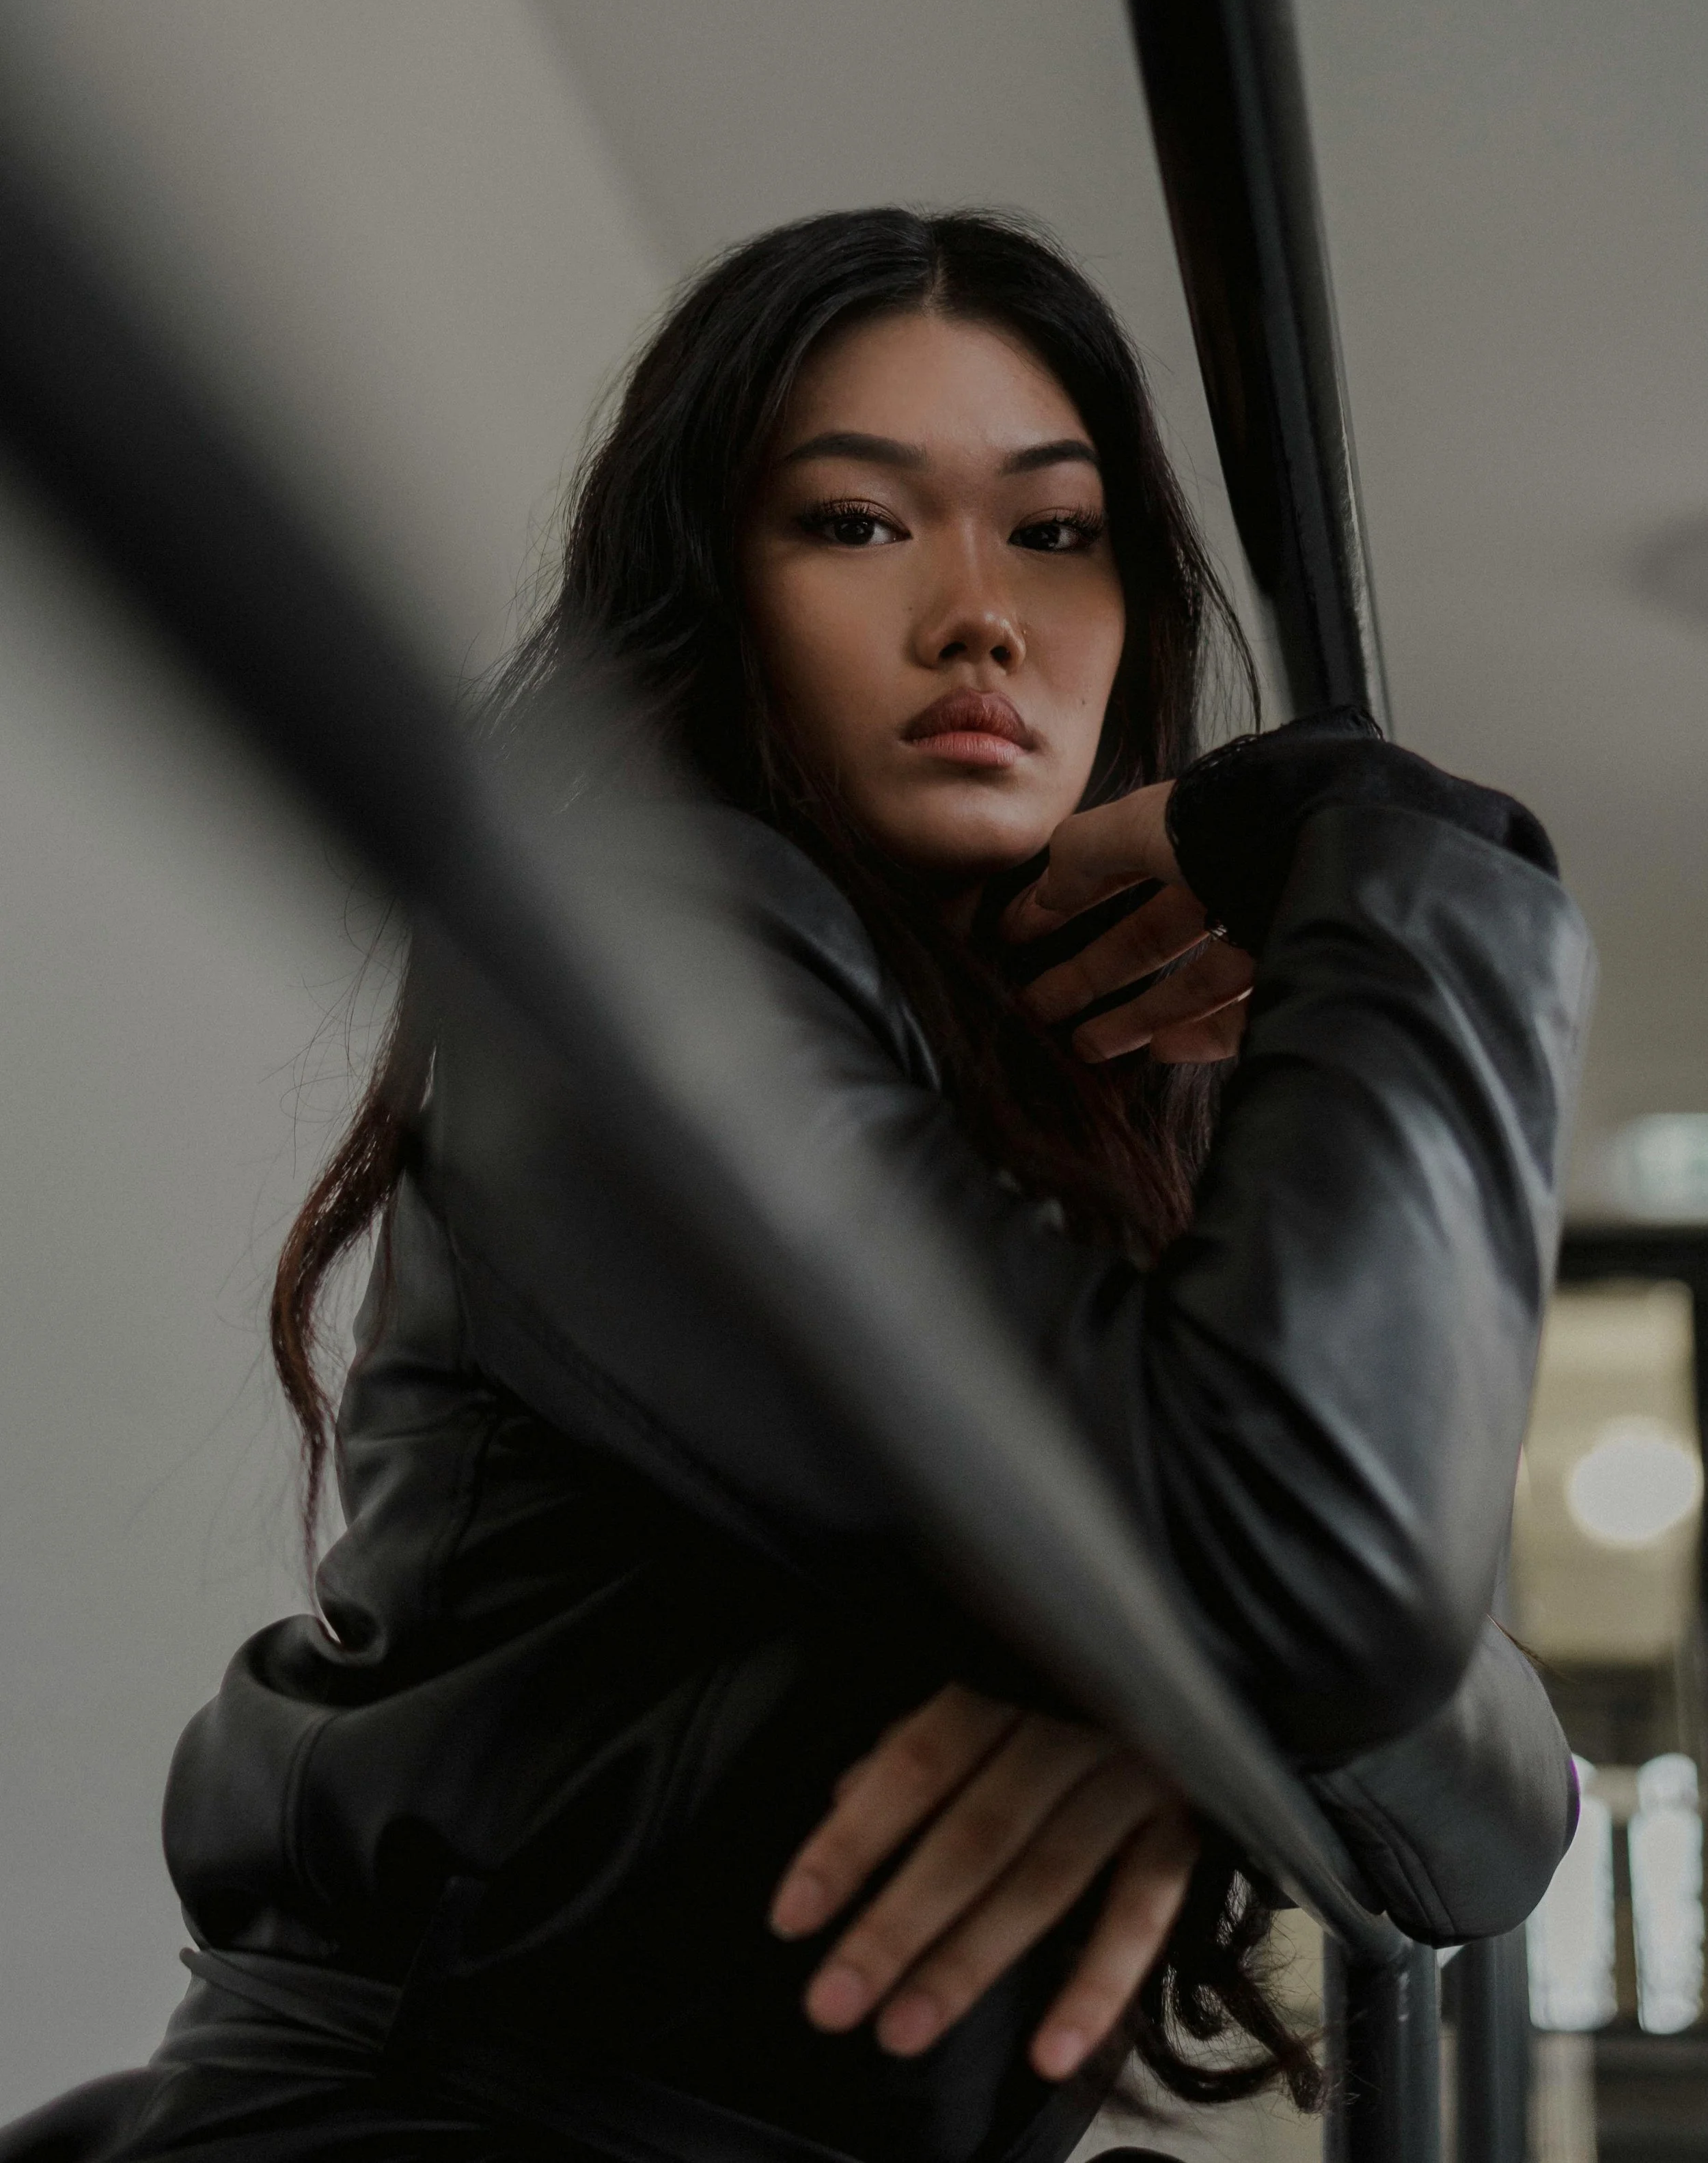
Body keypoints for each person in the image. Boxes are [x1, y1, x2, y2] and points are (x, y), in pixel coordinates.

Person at [3, 210, 1591, 2163]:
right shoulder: (620, 967)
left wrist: (1163, 1666)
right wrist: (1412, 861)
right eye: (854, 522)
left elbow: (1505, 1812)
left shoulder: (1082, 1147)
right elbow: (1316, 1587)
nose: (978, 615)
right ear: (708, 591)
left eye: (1055, 528)